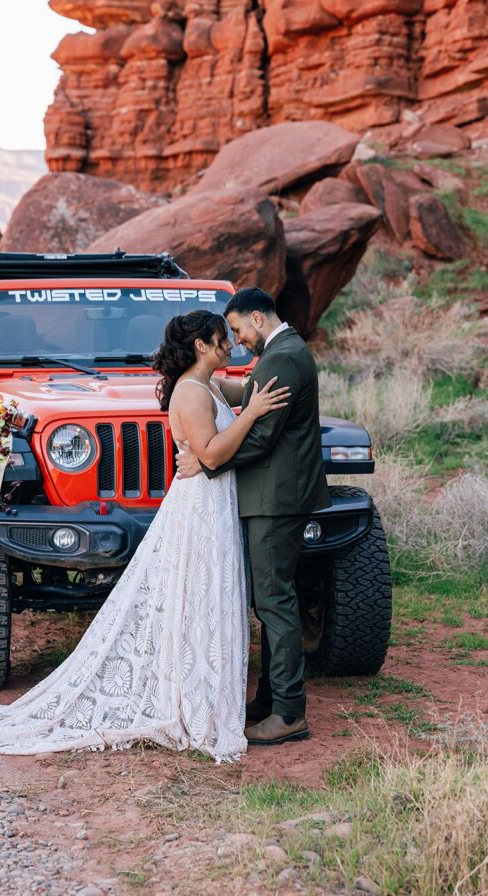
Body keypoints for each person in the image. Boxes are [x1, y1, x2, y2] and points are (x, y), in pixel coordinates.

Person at [0, 311, 289, 763]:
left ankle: (197, 686)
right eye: (223, 339)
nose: (230, 346)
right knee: (193, 594)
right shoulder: (192, 391)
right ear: (201, 345)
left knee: (198, 594)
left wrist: (273, 363)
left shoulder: (211, 385)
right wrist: (242, 423)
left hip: (201, 498)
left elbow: (249, 388)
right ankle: (188, 693)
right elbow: (214, 446)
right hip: (187, 500)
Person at [176, 288, 331, 746]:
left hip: (275, 497)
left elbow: (261, 439)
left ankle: (288, 713)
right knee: (271, 599)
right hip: (276, 495)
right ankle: (268, 699)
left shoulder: (280, 358)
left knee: (274, 602)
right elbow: (248, 395)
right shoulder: (286, 351)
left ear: (258, 318)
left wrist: (206, 462)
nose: (239, 340)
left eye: (240, 329)